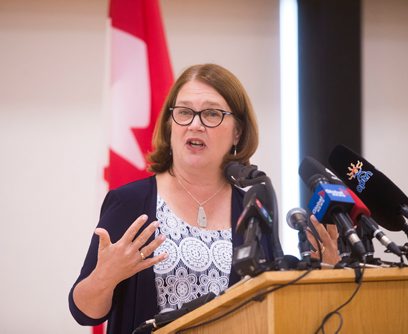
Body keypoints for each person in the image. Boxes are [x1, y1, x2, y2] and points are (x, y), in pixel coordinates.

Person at [68, 63, 338, 333]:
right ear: (170, 124)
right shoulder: (131, 202)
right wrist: (106, 277)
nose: (195, 124)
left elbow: (269, 300)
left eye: (211, 114)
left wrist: (324, 271)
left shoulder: (253, 207)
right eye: (184, 112)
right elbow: (84, 312)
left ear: (238, 132)